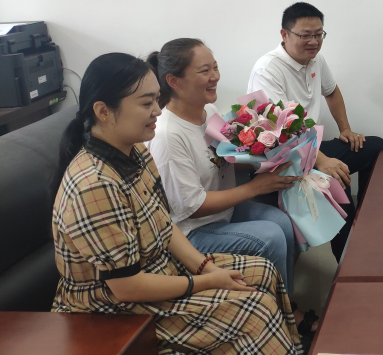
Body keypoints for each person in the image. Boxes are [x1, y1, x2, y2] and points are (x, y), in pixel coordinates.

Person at [50, 53, 302, 355]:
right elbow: (127, 287)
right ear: (103, 111)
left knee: (262, 271)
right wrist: (203, 282)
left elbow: (164, 225)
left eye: (157, 100)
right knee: (254, 309)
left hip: (159, 271)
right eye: (146, 103)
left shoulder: (137, 153)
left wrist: (206, 268)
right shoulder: (95, 184)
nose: (158, 110)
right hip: (113, 306)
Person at [146, 39, 299, 295]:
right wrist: (256, 187)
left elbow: (221, 160)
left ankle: (286, 303)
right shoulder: (168, 135)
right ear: (174, 81)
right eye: (204, 71)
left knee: (282, 221)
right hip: (192, 231)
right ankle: (278, 311)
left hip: (223, 213)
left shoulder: (208, 109)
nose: (215, 76)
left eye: (215, 67)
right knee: (270, 236)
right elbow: (191, 206)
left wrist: (268, 154)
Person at [247, 2, 383, 262]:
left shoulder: (315, 59)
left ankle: (368, 217)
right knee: (336, 186)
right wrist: (322, 162)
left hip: (312, 147)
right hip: (284, 156)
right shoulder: (268, 70)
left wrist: (345, 129)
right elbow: (283, 130)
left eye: (319, 34)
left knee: (376, 148)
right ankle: (349, 266)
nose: (313, 41)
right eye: (305, 35)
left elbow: (331, 91)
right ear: (284, 34)